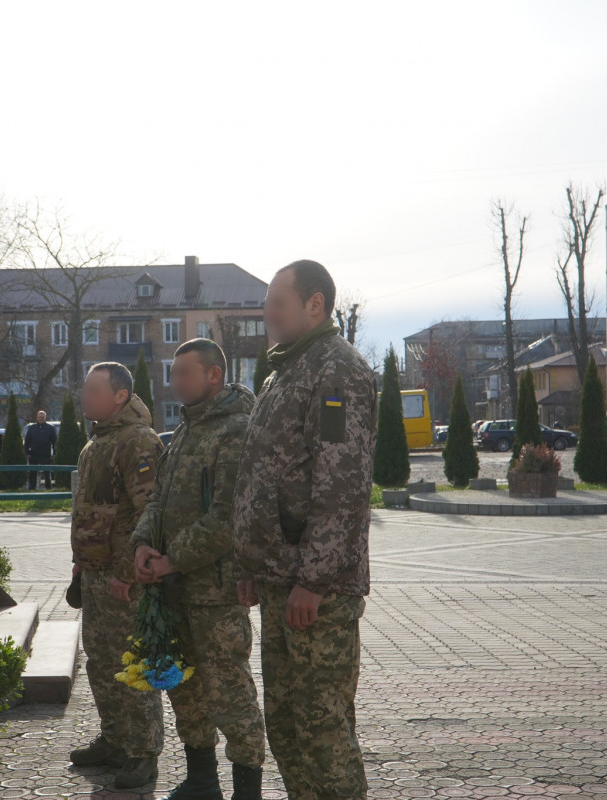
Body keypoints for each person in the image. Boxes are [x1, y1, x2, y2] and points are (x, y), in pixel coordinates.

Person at [233, 260, 377, 800]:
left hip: (314, 592)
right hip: (280, 583)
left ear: (315, 305)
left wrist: (314, 580)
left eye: (277, 302)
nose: (267, 313)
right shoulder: (285, 371)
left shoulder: (335, 370)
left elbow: (341, 484)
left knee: (323, 732)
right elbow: (265, 476)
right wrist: (252, 567)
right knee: (288, 727)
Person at [132, 339, 265, 800]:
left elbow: (229, 517)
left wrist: (173, 557)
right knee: (183, 687)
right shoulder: (185, 431)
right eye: (173, 373)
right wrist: (144, 543)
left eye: (184, 373)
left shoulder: (236, 430)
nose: (175, 383)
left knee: (230, 692)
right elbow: (157, 498)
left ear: (213, 375)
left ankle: (247, 790)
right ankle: (202, 780)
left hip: (215, 591)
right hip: (173, 590)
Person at [69, 362, 165, 789]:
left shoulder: (138, 442)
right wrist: (81, 561)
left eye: (93, 390)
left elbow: (150, 515)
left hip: (124, 581)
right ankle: (115, 739)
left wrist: (128, 573)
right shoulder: (96, 442)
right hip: (95, 576)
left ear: (120, 397)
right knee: (101, 662)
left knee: (135, 666)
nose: (85, 396)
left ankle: (143, 754)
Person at [23, 409, 59, 490]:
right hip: (33, 454)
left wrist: (54, 453)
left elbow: (54, 442)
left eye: (42, 417)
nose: (41, 418)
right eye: (39, 417)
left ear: (45, 417)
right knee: (32, 472)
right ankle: (32, 488)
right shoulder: (32, 428)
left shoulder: (50, 428)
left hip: (46, 454)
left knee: (47, 473)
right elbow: (27, 441)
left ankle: (48, 489)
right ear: (37, 417)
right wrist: (27, 452)